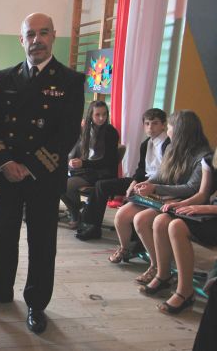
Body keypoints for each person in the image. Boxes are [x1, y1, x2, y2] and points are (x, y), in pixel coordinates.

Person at [0, 12, 84, 334]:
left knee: (42, 240)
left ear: (53, 36)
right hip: (8, 173)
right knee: (3, 235)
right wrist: (5, 162)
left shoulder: (71, 80)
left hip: (43, 176)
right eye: (30, 34)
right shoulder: (7, 77)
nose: (37, 40)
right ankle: (0, 289)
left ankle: (36, 302)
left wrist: (29, 166)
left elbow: (67, 134)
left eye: (43, 33)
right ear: (22, 40)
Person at [109, 110, 210, 286]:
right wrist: (147, 183)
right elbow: (161, 174)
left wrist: (155, 187)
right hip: (164, 195)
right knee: (122, 215)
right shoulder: (172, 147)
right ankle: (126, 249)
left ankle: (157, 266)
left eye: (169, 127)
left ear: (180, 130)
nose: (167, 130)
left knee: (141, 220)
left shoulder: (203, 155)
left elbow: (192, 189)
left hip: (181, 200)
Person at [76, 108, 169, 241]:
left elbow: (165, 172)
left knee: (120, 190)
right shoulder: (146, 144)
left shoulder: (167, 145)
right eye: (147, 124)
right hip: (144, 180)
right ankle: (93, 226)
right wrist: (133, 182)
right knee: (101, 185)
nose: (150, 127)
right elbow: (141, 169)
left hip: (158, 184)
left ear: (163, 125)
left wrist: (144, 183)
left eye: (155, 123)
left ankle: (135, 235)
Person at [149, 150, 216, 315]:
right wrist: (182, 204)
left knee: (176, 226)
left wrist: (206, 208)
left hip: (212, 212)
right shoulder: (210, 159)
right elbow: (202, 194)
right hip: (210, 212)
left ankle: (185, 291)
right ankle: (163, 275)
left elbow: (205, 204)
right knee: (161, 220)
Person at [61, 100, 119, 229]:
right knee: (57, 181)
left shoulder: (110, 132)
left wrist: (83, 163)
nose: (101, 118)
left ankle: (75, 213)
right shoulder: (85, 129)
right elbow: (76, 150)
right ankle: (77, 209)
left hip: (101, 172)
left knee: (64, 185)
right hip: (86, 170)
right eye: (97, 115)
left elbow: (107, 161)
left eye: (104, 114)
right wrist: (72, 161)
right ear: (90, 115)